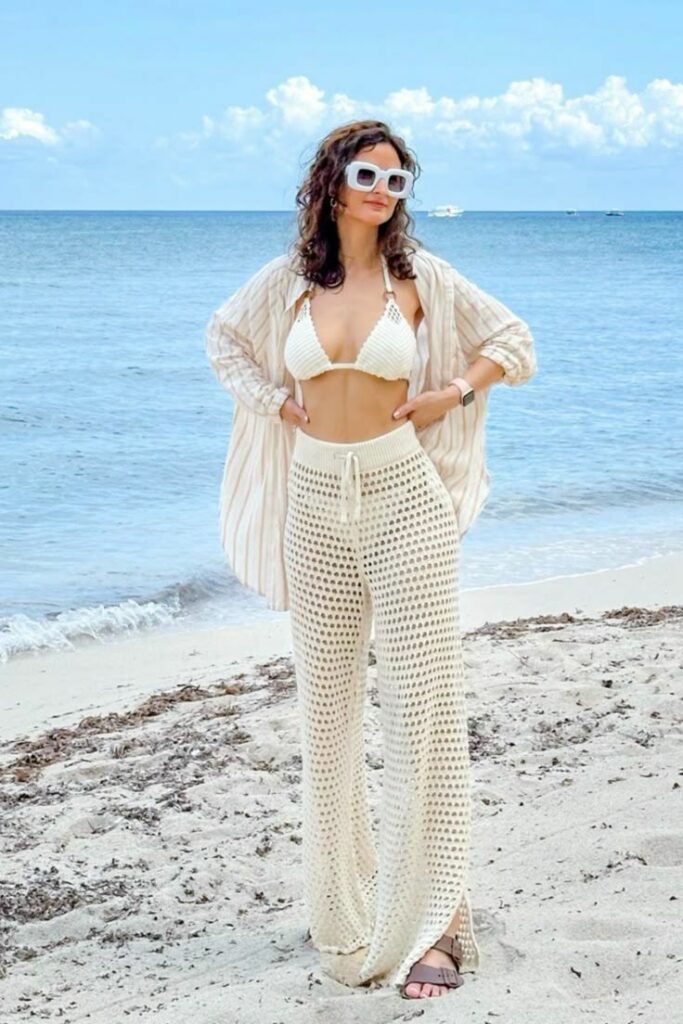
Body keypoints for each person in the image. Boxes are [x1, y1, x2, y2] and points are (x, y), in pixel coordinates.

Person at [205, 119, 537, 998]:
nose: (382, 192)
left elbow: (512, 342)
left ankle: (442, 925)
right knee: (328, 715)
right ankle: (346, 916)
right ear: (331, 180)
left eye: (397, 181)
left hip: (403, 500)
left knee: (422, 709)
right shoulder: (288, 282)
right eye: (367, 174)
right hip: (313, 505)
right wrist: (276, 404)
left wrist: (449, 393)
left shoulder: (418, 278)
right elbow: (222, 342)